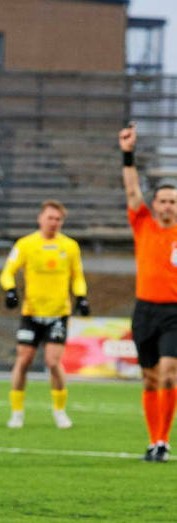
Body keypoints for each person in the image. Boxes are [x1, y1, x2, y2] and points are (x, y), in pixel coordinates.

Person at [0, 200, 88, 430]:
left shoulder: (70, 246)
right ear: (40, 218)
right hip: (31, 313)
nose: (54, 222)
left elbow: (77, 276)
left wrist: (81, 296)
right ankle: (17, 412)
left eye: (58, 219)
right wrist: (10, 290)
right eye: (50, 217)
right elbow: (7, 272)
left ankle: (59, 411)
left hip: (58, 314)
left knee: (53, 362)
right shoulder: (26, 244)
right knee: (23, 360)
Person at [119, 125, 177, 462]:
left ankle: (164, 442)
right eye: (163, 201)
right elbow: (131, 190)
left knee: (169, 373)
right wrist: (127, 153)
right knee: (150, 378)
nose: (168, 206)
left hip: (174, 313)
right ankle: (153, 440)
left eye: (173, 201)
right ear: (154, 204)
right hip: (145, 310)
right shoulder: (144, 224)